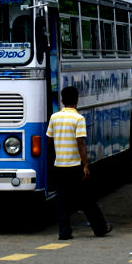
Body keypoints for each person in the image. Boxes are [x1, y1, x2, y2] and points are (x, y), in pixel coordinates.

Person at [46, 86, 112, 240]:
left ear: (62, 101)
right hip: (75, 166)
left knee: (62, 200)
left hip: (59, 165)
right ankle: (100, 228)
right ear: (77, 100)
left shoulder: (54, 118)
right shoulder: (78, 119)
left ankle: (64, 232)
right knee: (87, 199)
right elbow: (80, 142)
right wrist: (86, 166)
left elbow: (49, 140)